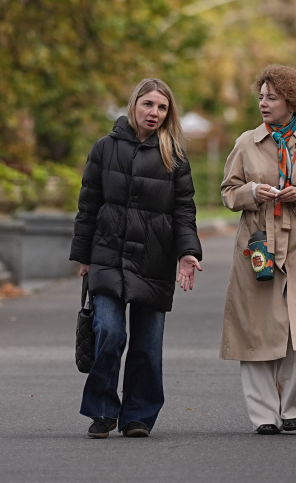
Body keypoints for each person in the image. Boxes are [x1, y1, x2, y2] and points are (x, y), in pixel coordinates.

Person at [69, 78, 203, 439]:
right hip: (107, 255)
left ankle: (138, 416)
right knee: (109, 332)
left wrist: (188, 252)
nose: (155, 113)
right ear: (134, 105)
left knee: (147, 345)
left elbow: (183, 210)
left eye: (162, 108)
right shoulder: (104, 148)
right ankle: (102, 410)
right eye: (148, 105)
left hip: (154, 259)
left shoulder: (173, 154)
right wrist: (83, 256)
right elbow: (88, 205)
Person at [219, 65, 296, 435]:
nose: (264, 104)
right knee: (256, 328)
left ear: (291, 101)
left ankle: (292, 408)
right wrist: (251, 193)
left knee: (295, 328)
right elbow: (228, 193)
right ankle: (264, 415)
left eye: (272, 97)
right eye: (261, 97)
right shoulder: (245, 143)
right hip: (258, 245)